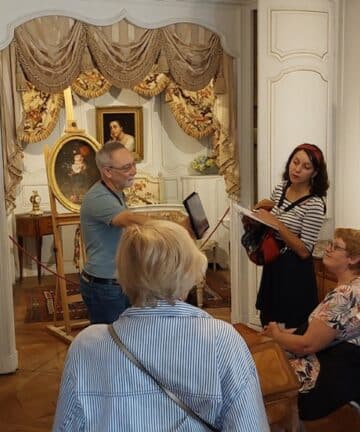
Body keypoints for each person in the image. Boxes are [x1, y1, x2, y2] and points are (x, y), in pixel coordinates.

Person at [53, 220, 270, 431]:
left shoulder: (87, 345)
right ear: (188, 274)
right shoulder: (221, 340)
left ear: (123, 274)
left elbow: (67, 425)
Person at [262, 228, 360, 421]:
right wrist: (284, 332)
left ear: (354, 258)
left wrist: (276, 335)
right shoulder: (354, 289)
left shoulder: (345, 295)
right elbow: (327, 329)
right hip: (346, 371)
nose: (328, 249)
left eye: (336, 246)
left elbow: (308, 344)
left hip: (329, 378)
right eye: (329, 244)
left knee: (259, 378)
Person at [254, 143, 329, 328]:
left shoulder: (315, 204)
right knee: (268, 322)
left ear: (315, 173)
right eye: (295, 162)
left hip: (295, 273)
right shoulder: (281, 188)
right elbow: (271, 215)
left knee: (292, 328)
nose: (297, 169)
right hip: (274, 266)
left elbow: (305, 251)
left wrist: (277, 224)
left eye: (306, 167)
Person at [79, 140, 147, 324]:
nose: (133, 171)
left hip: (115, 283)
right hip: (105, 287)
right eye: (126, 167)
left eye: (133, 164)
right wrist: (172, 225)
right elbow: (129, 220)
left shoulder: (116, 191)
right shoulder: (98, 197)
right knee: (111, 345)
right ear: (108, 171)